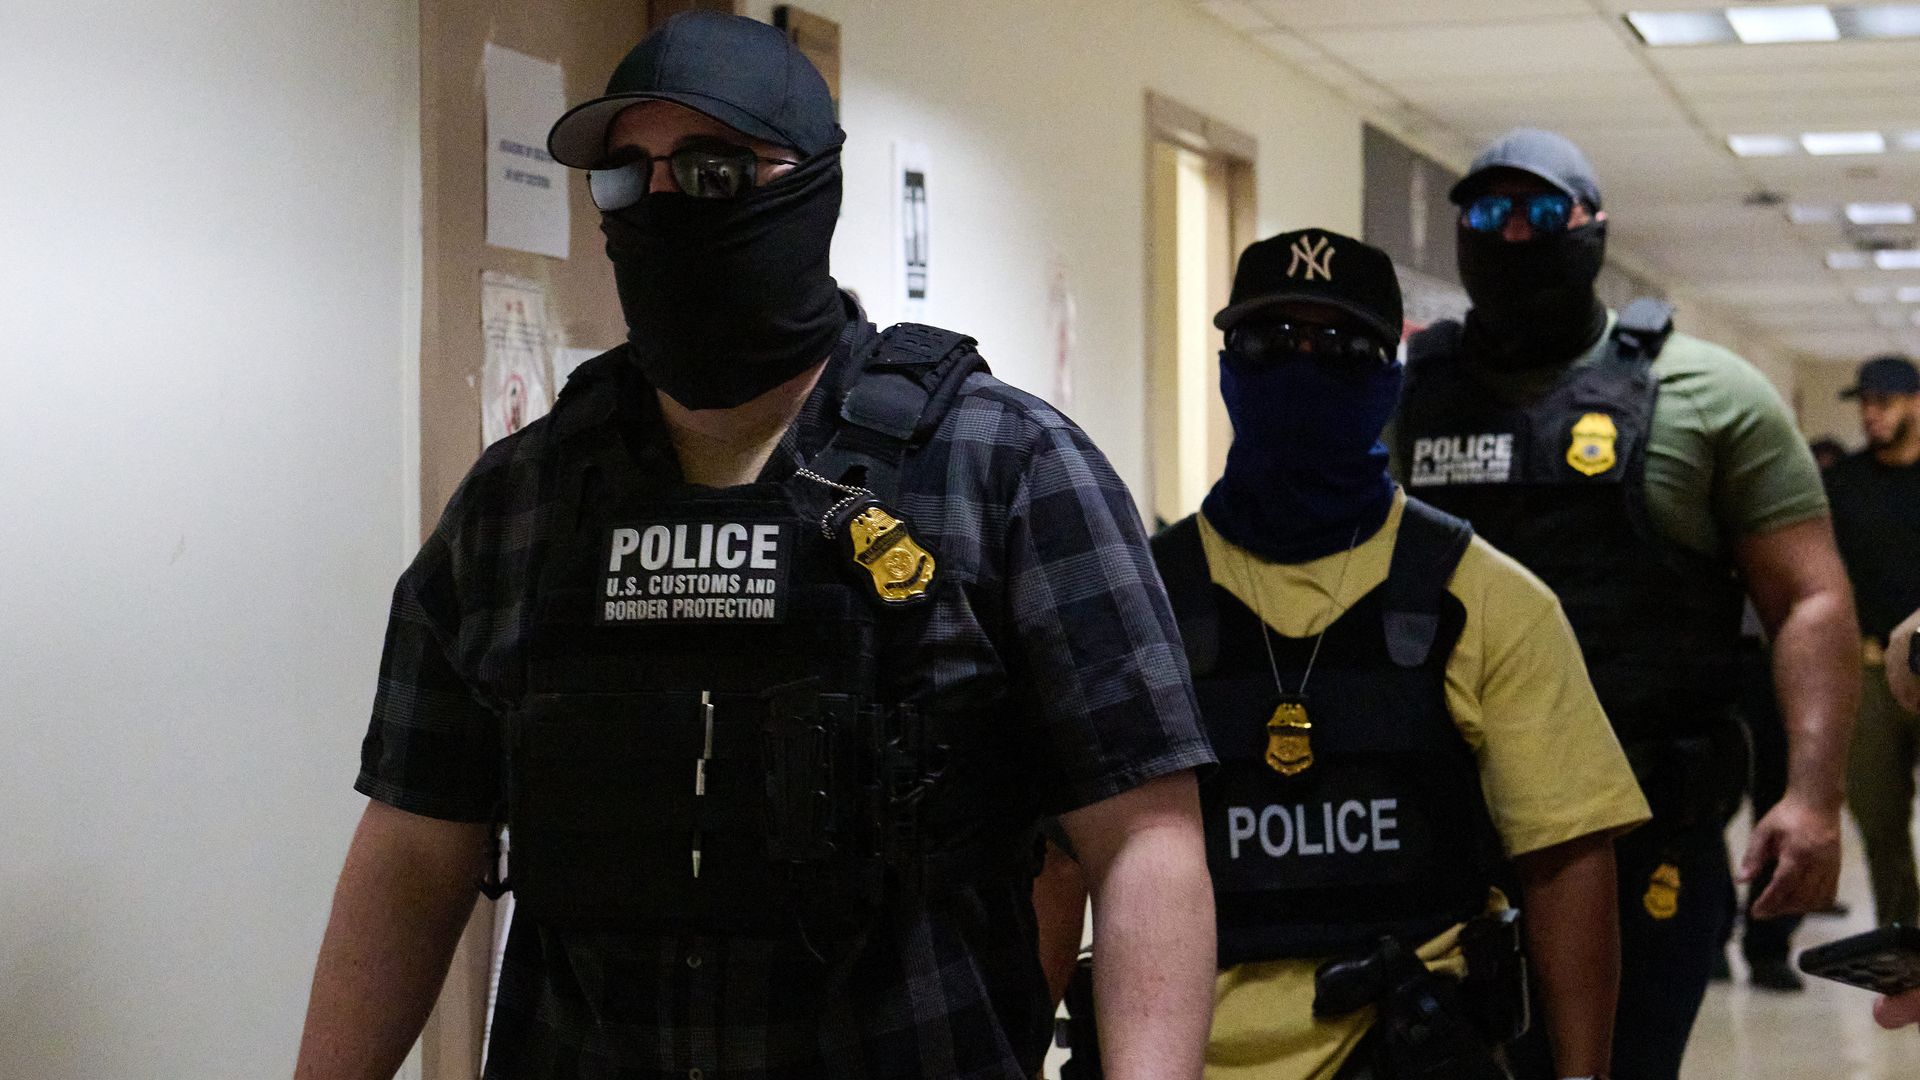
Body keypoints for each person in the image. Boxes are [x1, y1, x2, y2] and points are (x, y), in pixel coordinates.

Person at [292, 13, 1218, 1080]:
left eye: (713, 172)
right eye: (627, 179)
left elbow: (1144, 838)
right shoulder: (521, 502)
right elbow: (415, 846)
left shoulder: (1004, 469)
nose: (664, 205)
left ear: (812, 189)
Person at [1039, 228, 1650, 1080]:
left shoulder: (1485, 600)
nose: (1302, 367)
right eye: (1269, 342)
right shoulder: (1136, 602)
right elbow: (1058, 864)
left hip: (1409, 1052)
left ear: (1388, 377)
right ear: (1227, 368)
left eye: (1339, 347)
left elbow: (1567, 862)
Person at [1395, 129, 1859, 1080]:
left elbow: (1809, 598)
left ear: (1594, 228)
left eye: (1542, 212)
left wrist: (1814, 796)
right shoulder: (1405, 397)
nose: (1514, 235)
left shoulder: (1708, 394)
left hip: (1646, 828)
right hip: (1443, 825)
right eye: (1489, 211)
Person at [1825, 356, 1920, 927]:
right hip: (1869, 670)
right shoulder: (1843, 485)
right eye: (1863, 403)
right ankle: (1905, 945)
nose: (1870, 414)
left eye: (1883, 401)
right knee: (1880, 818)